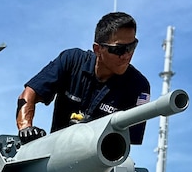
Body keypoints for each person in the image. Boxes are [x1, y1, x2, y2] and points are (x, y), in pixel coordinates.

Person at [16, 11, 152, 145]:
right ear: (97, 49)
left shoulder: (138, 86)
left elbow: (129, 138)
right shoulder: (72, 61)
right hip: (56, 155)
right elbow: (29, 94)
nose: (127, 55)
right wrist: (26, 127)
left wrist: (93, 132)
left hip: (99, 163)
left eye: (132, 46)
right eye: (119, 50)